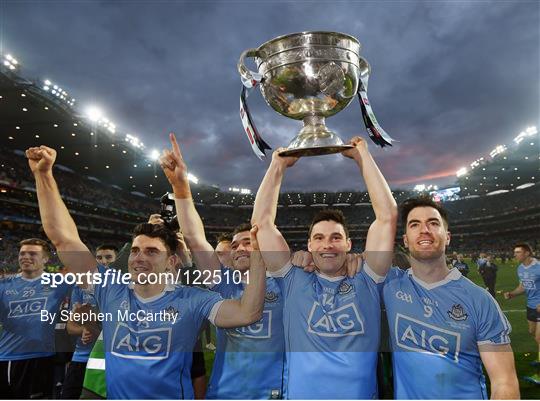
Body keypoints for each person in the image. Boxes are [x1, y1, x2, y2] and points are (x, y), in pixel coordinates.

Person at [26, 144, 267, 399]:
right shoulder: (111, 289)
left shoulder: (194, 300)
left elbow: (247, 312)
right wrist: (43, 176)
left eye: (152, 251)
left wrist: (260, 260)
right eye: (136, 250)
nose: (139, 258)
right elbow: (63, 239)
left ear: (172, 262)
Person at [252, 137, 397, 399]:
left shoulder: (368, 277)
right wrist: (277, 166)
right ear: (309, 245)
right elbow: (261, 224)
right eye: (319, 238)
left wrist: (362, 156)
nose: (327, 245)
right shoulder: (293, 278)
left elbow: (386, 217)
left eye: (335, 237)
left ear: (349, 244)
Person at [159, 133, 286, 399]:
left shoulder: (285, 283)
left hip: (273, 392)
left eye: (248, 243)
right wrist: (182, 188)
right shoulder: (221, 280)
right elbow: (194, 238)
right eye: (236, 244)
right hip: (225, 391)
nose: (241, 248)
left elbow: (265, 224)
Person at [383, 197, 519, 398]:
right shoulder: (389, 285)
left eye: (433, 223)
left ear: (447, 237)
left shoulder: (480, 300)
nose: (424, 230)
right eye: (414, 224)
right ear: (405, 240)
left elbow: (504, 382)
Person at [0, 238, 72, 398]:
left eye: (33, 253)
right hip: (9, 356)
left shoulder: (59, 282)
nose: (26, 257)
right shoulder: (4, 285)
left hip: (44, 358)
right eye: (22, 253)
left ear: (45, 259)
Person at [504, 243, 540, 365]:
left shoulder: (538, 266)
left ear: (527, 253)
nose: (515, 255)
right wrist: (512, 294)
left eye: (518, 252)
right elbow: (522, 287)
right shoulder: (520, 268)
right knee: (532, 332)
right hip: (530, 306)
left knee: (539, 338)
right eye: (515, 252)